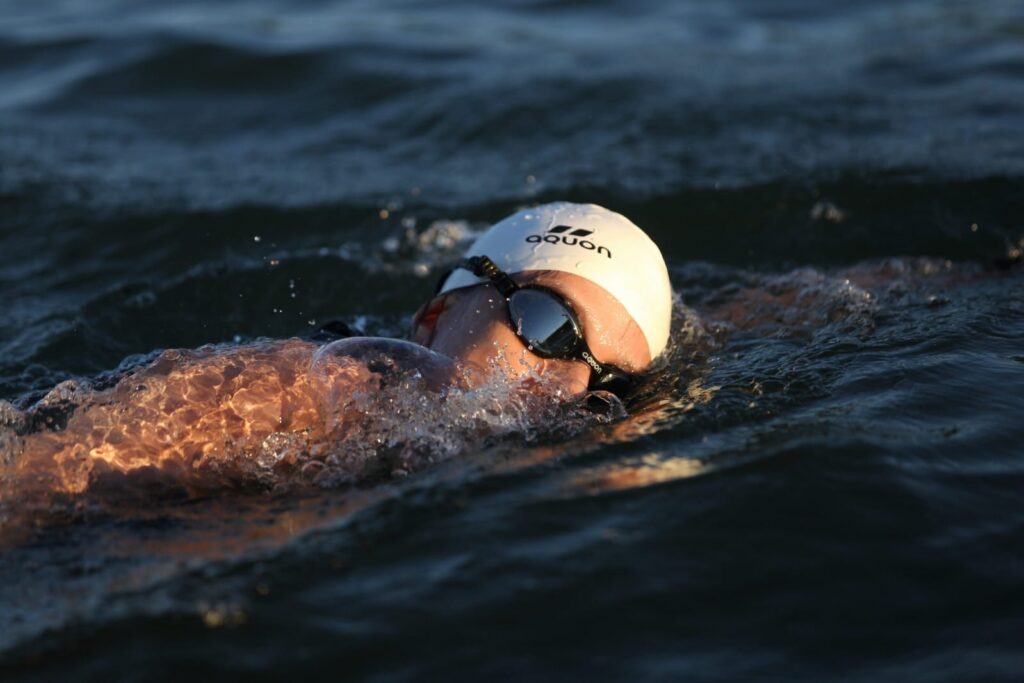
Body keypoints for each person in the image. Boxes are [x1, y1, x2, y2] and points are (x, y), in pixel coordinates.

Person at [3, 203, 673, 496]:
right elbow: (31, 481)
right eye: (550, 327)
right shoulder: (323, 383)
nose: (568, 389)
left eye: (608, 376)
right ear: (434, 316)